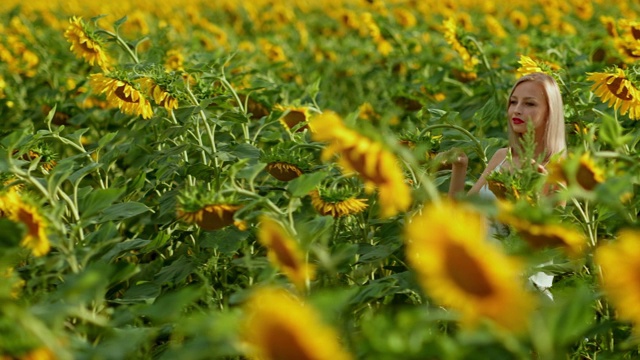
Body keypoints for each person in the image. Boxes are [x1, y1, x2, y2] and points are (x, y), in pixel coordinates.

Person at [447, 72, 567, 299]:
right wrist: (459, 168)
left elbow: (538, 244)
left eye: (529, 103)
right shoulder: (502, 156)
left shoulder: (558, 173)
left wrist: (523, 190)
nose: (517, 110)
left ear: (551, 112)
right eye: (513, 102)